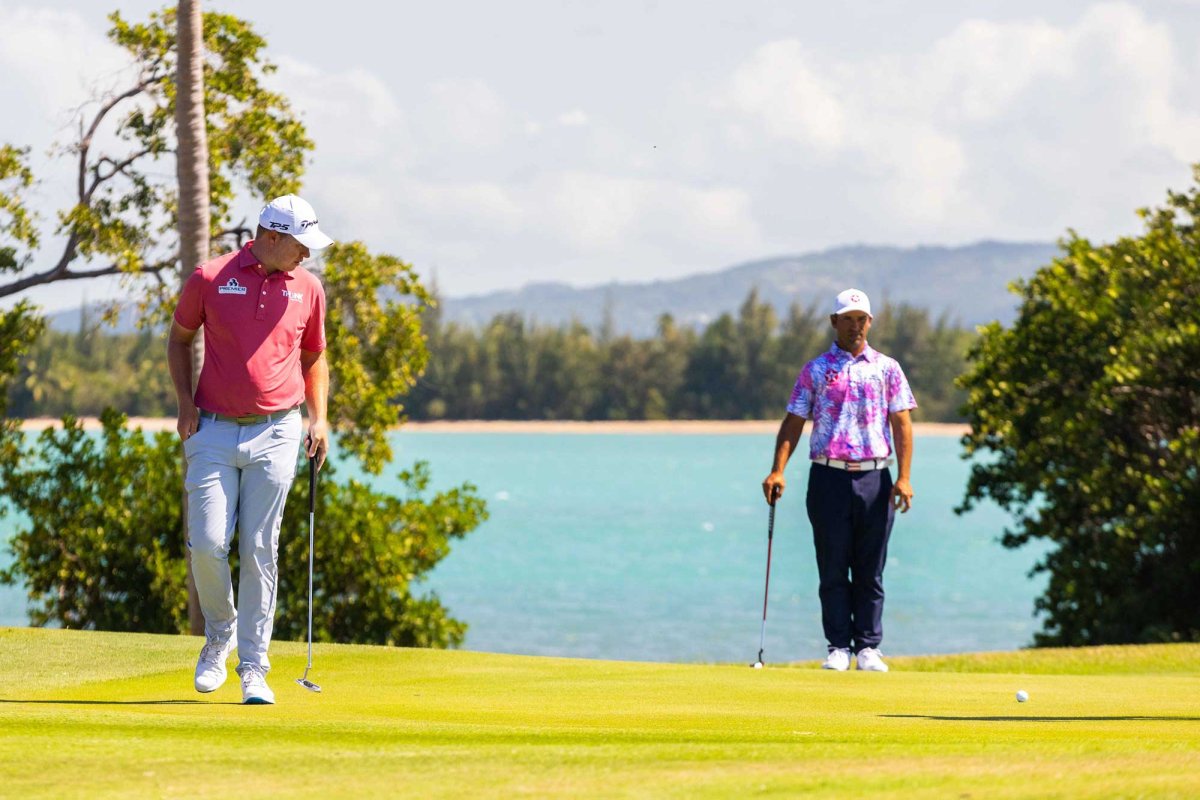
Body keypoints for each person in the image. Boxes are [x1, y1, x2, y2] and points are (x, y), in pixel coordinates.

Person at [168, 194, 332, 704]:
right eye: (301, 245)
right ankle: (220, 634)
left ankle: (255, 668)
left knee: (261, 549)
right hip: (213, 430)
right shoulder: (210, 277)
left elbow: (314, 356)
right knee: (208, 543)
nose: (307, 255)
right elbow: (178, 339)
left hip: (278, 431)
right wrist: (184, 403)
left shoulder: (309, 288)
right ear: (274, 237)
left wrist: (319, 417)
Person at [761, 288, 915, 672]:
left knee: (869, 568)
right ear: (834, 322)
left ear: (870, 322)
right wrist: (778, 468)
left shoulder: (887, 368)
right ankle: (838, 647)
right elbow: (793, 423)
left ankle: (868, 647)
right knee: (832, 566)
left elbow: (902, 424)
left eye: (861, 318)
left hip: (875, 477)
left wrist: (905, 477)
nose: (855, 326)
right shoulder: (815, 370)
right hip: (828, 477)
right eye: (847, 319)